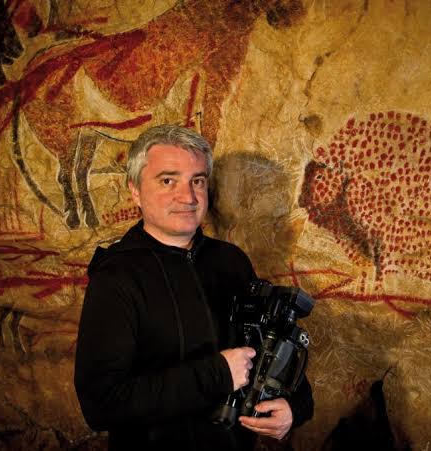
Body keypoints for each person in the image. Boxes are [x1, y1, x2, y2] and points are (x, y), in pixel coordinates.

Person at [74, 124, 314, 450]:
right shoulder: (116, 277)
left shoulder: (231, 261)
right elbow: (101, 404)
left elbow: (271, 342)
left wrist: (294, 407)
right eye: (168, 180)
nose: (187, 197)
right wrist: (218, 374)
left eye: (197, 181)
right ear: (135, 191)